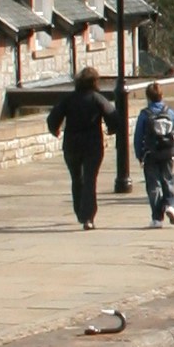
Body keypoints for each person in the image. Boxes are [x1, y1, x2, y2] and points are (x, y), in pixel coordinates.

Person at [47, 69, 111, 229]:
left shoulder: (69, 99)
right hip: (92, 144)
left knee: (77, 179)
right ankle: (88, 216)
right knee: (90, 179)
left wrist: (55, 129)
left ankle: (80, 212)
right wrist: (112, 128)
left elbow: (53, 117)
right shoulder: (97, 99)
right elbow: (113, 114)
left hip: (72, 145)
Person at [133, 82, 174, 223]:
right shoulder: (169, 112)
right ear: (161, 96)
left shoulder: (144, 114)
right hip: (169, 152)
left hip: (151, 153)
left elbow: (138, 136)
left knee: (153, 185)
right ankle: (170, 205)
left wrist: (139, 155)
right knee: (167, 180)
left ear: (148, 97)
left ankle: (157, 218)